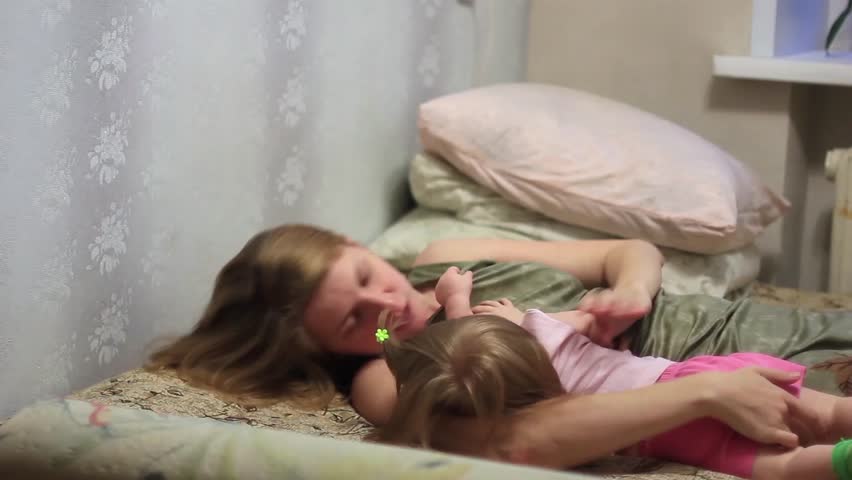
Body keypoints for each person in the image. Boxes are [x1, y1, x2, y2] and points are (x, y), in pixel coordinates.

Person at [146, 224, 852, 467]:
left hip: (747, 328)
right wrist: (701, 391)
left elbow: (628, 250)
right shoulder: (382, 374)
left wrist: (629, 292)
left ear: (358, 246)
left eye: (367, 276)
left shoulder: (448, 252)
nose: (385, 305)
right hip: (713, 380)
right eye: (353, 321)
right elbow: (511, 442)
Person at [371, 269, 852, 479]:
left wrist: (382, 338)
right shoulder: (542, 331)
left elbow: (438, 359)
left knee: (784, 469)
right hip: (695, 374)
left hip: (672, 432)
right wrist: (456, 293)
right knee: (828, 415)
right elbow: (584, 317)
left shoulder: (498, 401)